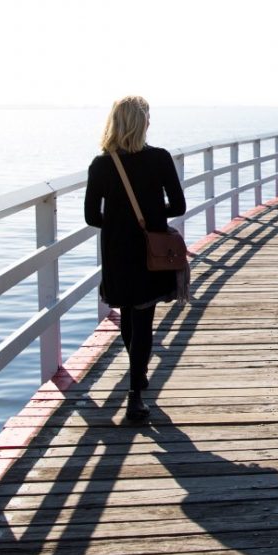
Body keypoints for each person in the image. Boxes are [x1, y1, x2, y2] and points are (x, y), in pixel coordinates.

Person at [85, 95, 186, 424]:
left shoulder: (102, 164)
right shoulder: (159, 159)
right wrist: (153, 218)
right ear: (142, 123)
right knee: (142, 317)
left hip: (117, 251)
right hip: (149, 249)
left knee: (128, 312)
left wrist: (118, 223)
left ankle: (136, 378)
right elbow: (179, 206)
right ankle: (135, 394)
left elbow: (91, 216)